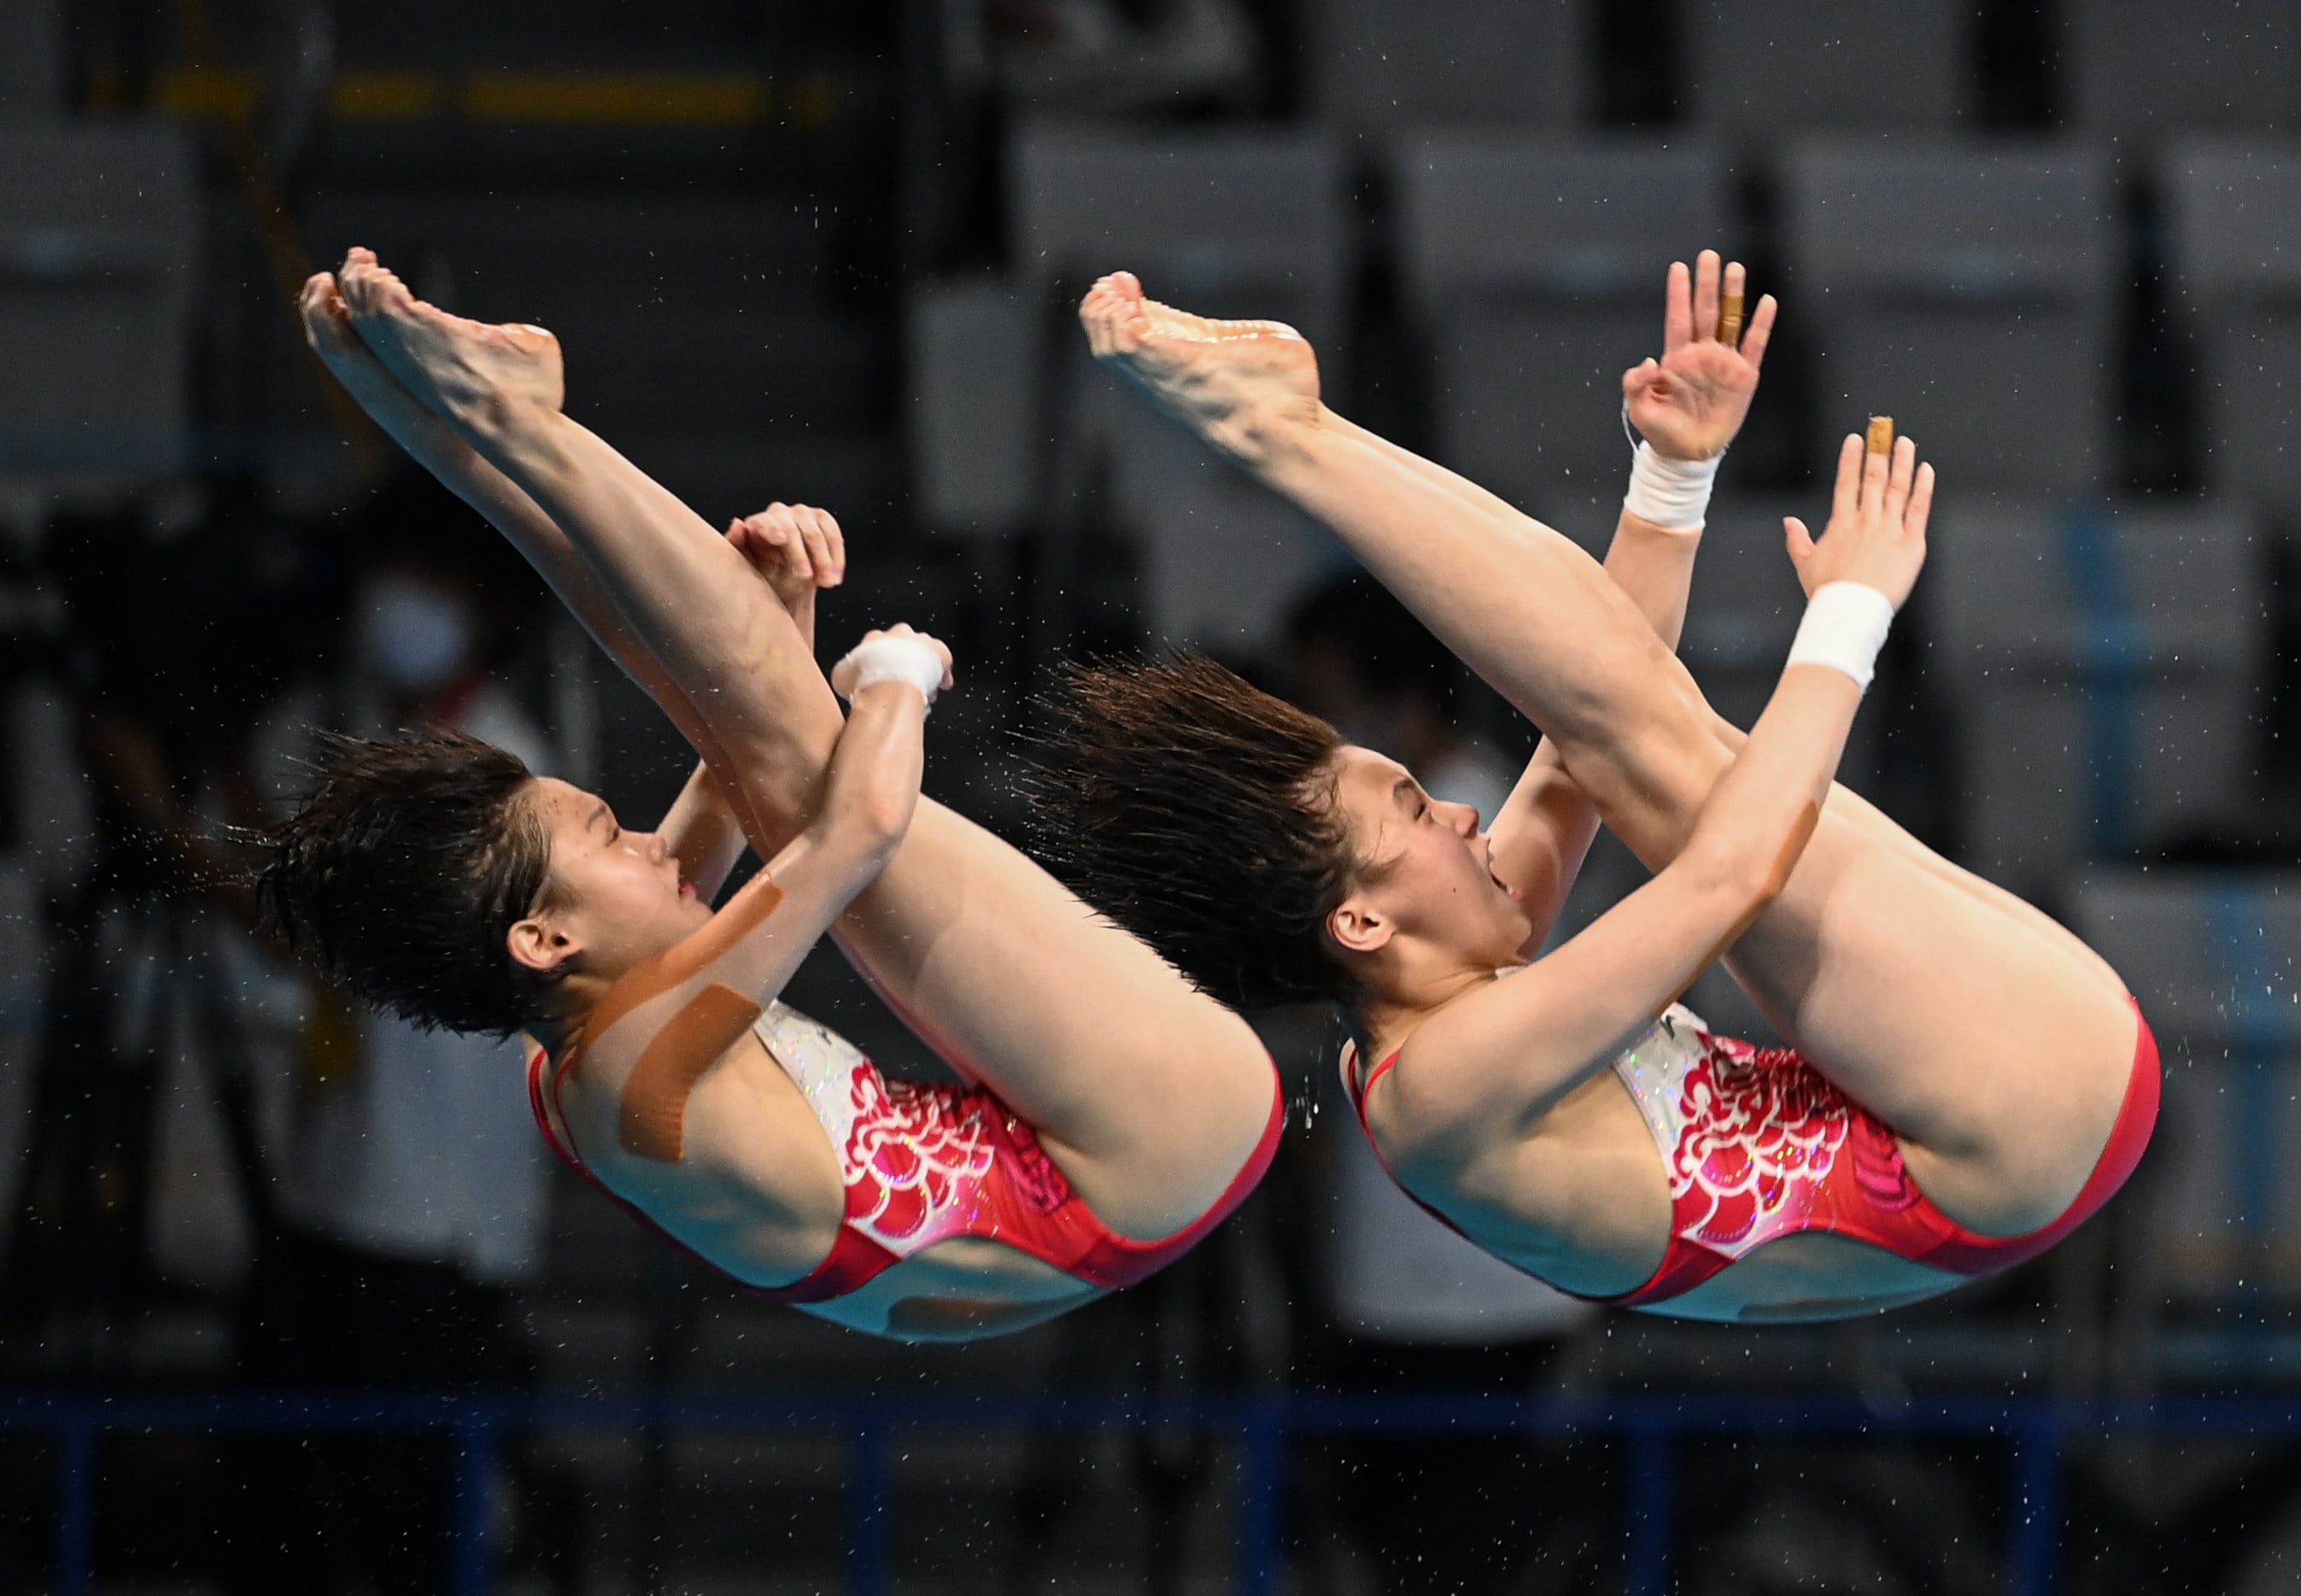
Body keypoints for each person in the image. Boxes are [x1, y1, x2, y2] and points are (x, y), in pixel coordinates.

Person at [1039, 258, 2158, 1323]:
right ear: (1360, 918)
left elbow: (1578, 745)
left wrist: (1671, 476)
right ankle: (1279, 432)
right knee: (1671, 759)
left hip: (2008, 1107)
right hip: (2002, 1127)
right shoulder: (1439, 1090)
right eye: (1419, 813)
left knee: (1633, 741)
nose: (1464, 810)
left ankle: (1289, 431)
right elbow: (1728, 871)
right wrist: (1851, 612)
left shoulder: (1441, 995)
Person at [255, 251, 1281, 1344]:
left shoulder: (579, 1042)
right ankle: (514, 427)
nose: (649, 847)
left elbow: (727, 744)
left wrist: (777, 620)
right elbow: (858, 826)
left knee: (747, 727)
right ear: (542, 935)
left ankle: (447, 427)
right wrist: (897, 678)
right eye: (609, 834)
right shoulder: (634, 1069)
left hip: (1101, 1184)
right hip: (1139, 1154)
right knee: (798, 756)